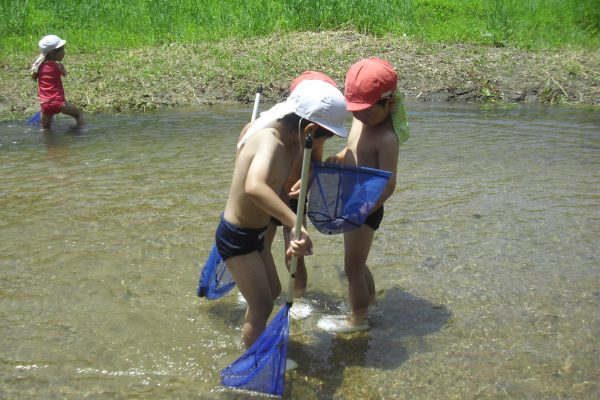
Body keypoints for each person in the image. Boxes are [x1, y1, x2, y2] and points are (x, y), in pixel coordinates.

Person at [217, 79, 348, 348]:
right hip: (238, 237)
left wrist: (291, 233)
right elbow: (255, 187)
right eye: (326, 137)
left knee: (273, 292)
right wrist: (294, 224)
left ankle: (253, 341)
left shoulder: (290, 143)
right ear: (310, 129)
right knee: (262, 307)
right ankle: (249, 364)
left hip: (255, 234)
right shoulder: (270, 141)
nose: (325, 142)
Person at [322, 57, 409, 332]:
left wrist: (363, 209)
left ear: (390, 104)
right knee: (358, 264)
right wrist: (338, 157)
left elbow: (390, 183)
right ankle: (369, 302)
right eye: (355, 111)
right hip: (353, 202)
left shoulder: (386, 138)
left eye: (367, 112)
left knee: (352, 269)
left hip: (367, 206)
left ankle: (357, 320)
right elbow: (353, 151)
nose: (359, 116)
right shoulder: (362, 122)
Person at [237, 71, 338, 299]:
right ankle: (257, 287)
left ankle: (298, 297)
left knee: (294, 253)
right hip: (269, 198)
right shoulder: (271, 134)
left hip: (294, 199)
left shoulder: (314, 137)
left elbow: (314, 165)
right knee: (261, 248)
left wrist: (307, 180)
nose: (323, 140)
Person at [31, 35, 84, 131]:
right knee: (78, 115)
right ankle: (80, 133)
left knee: (45, 129)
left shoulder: (38, 67)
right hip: (59, 102)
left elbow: (34, 77)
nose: (64, 53)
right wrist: (63, 69)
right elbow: (65, 74)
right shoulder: (58, 66)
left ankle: (48, 144)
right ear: (52, 53)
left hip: (45, 104)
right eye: (62, 50)